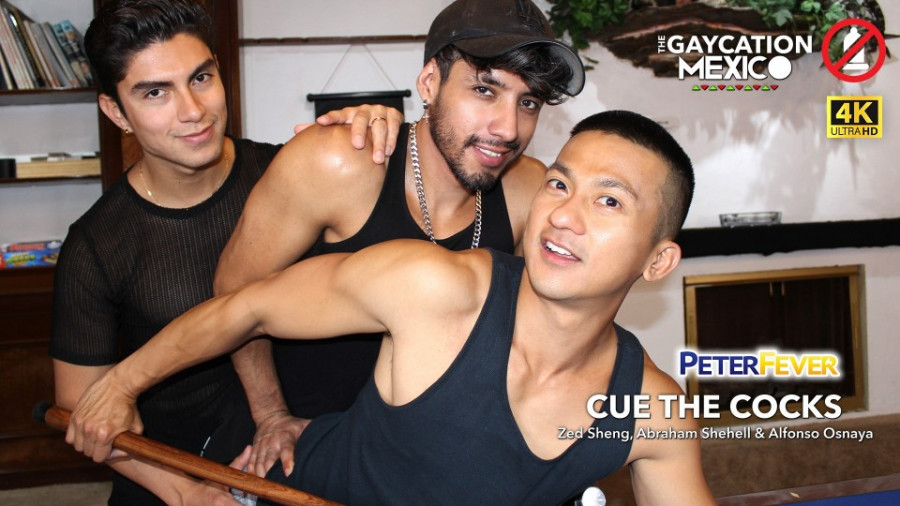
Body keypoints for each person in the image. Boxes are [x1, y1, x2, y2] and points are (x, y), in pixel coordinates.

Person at [65, 110, 716, 505]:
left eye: (609, 201)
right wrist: (119, 386)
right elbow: (249, 307)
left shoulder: (651, 412)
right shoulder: (434, 286)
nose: (564, 216)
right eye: (558, 183)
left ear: (658, 261)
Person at [214, 0, 586, 477]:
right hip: (308, 446)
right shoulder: (338, 162)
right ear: (429, 82)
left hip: (427, 459)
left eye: (528, 102)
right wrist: (271, 416)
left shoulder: (527, 190)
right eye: (484, 89)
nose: (508, 129)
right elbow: (233, 292)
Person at [50, 1, 402, 504]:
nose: (193, 110)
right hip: (172, 472)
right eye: (155, 92)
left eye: (201, 78)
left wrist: (376, 136)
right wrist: (185, 492)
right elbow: (81, 408)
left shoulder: (295, 175)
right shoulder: (97, 245)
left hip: (302, 457)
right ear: (115, 112)